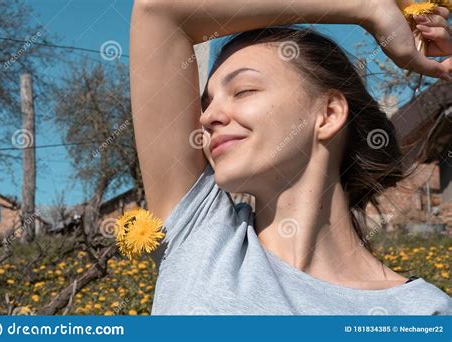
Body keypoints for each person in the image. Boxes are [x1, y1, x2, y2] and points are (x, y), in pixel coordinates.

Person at [129, 0, 452, 314]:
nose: (207, 117)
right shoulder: (198, 231)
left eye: (243, 90)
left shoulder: (422, 312)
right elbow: (158, 11)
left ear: (328, 113)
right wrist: (368, 8)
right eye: (207, 103)